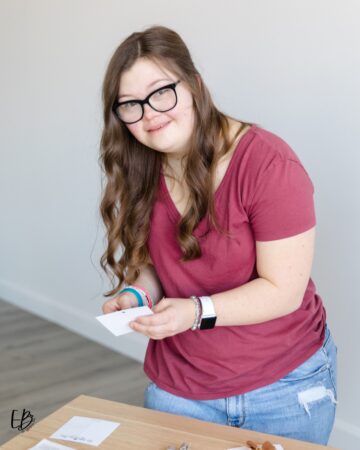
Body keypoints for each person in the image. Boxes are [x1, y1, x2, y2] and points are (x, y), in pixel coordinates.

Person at [99, 25, 337, 445]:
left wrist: (192, 312)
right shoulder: (143, 167)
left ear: (194, 84)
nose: (149, 113)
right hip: (181, 389)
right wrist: (137, 296)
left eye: (161, 92)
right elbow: (159, 267)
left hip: (284, 387)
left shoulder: (268, 163)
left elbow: (284, 290)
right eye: (130, 105)